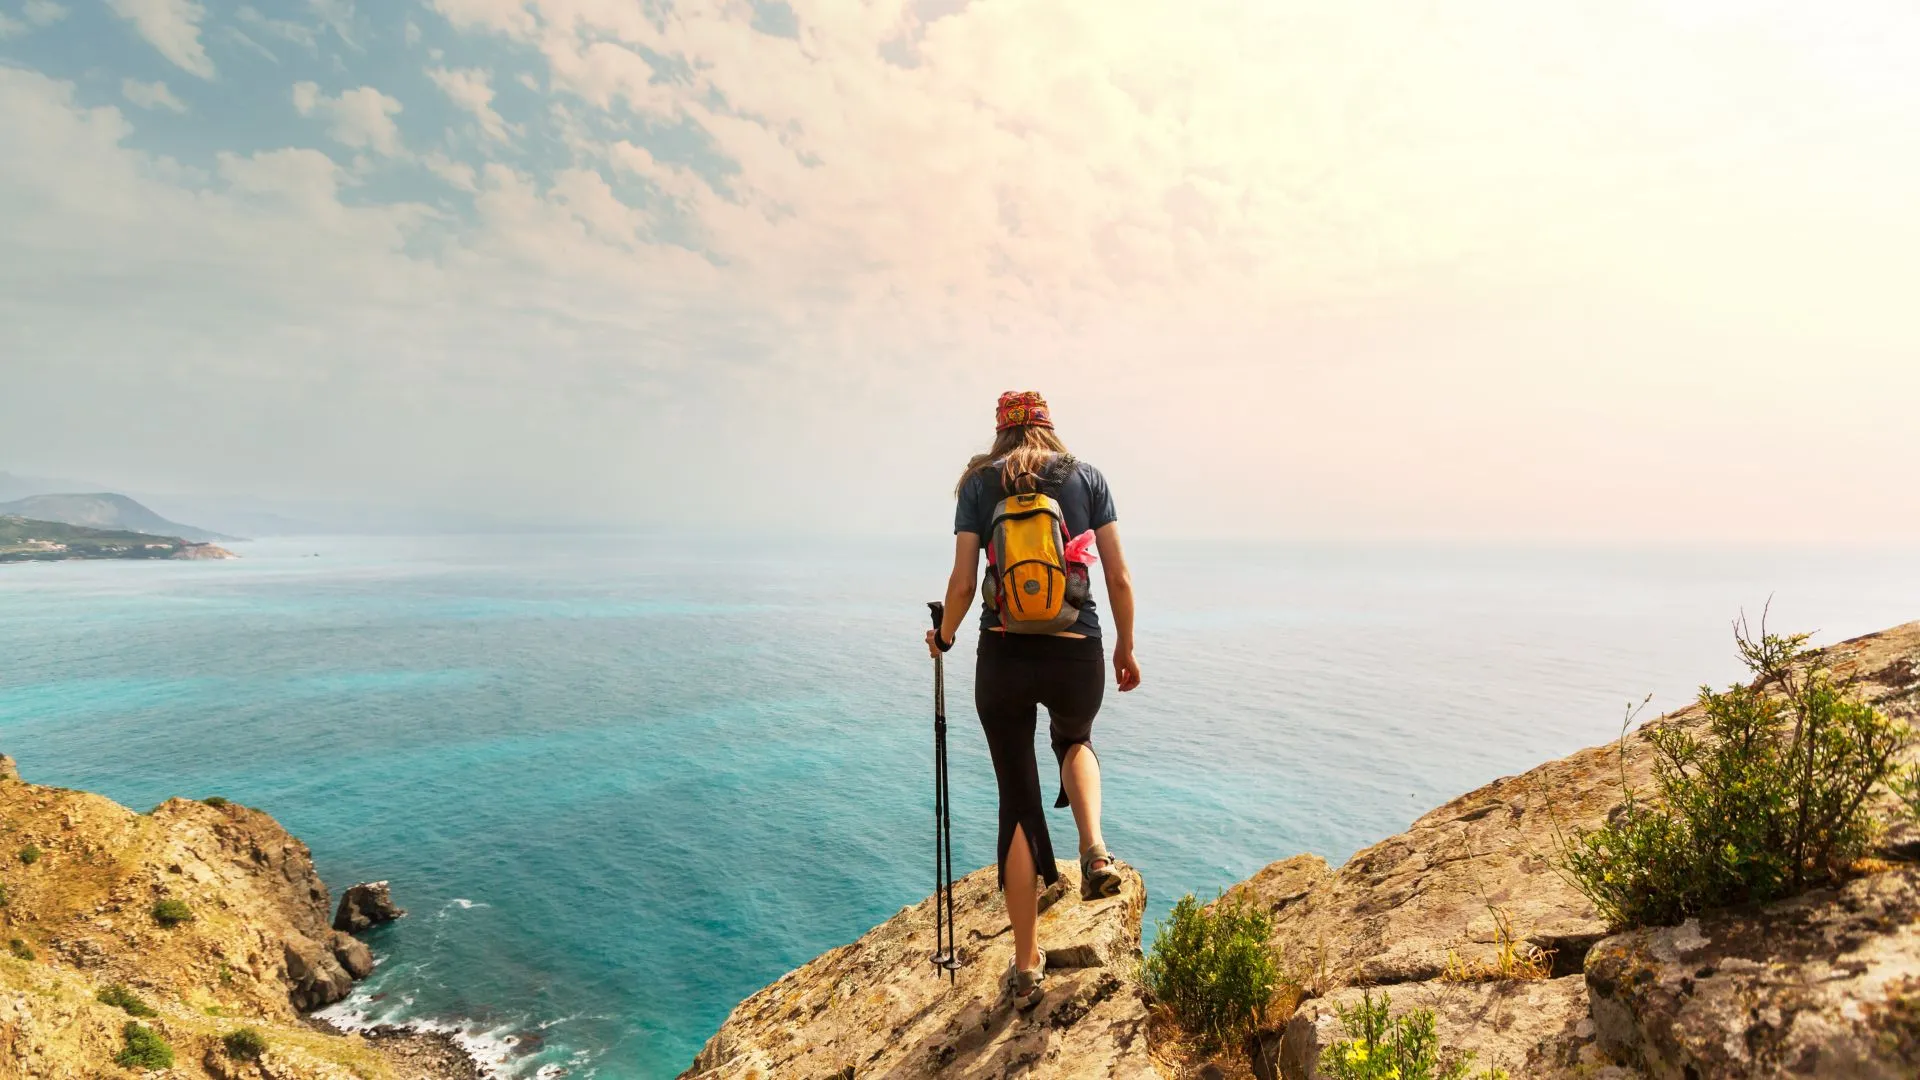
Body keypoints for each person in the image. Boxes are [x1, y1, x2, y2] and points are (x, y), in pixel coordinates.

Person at [925, 389, 1141, 1012]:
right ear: (1049, 429)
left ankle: (1025, 967)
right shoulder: (1088, 477)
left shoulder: (976, 484)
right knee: (1075, 739)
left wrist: (944, 636)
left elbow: (964, 582)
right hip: (1078, 648)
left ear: (1001, 433)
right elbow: (1120, 577)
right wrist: (1126, 647)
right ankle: (1094, 848)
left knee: (1017, 798)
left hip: (1003, 655)